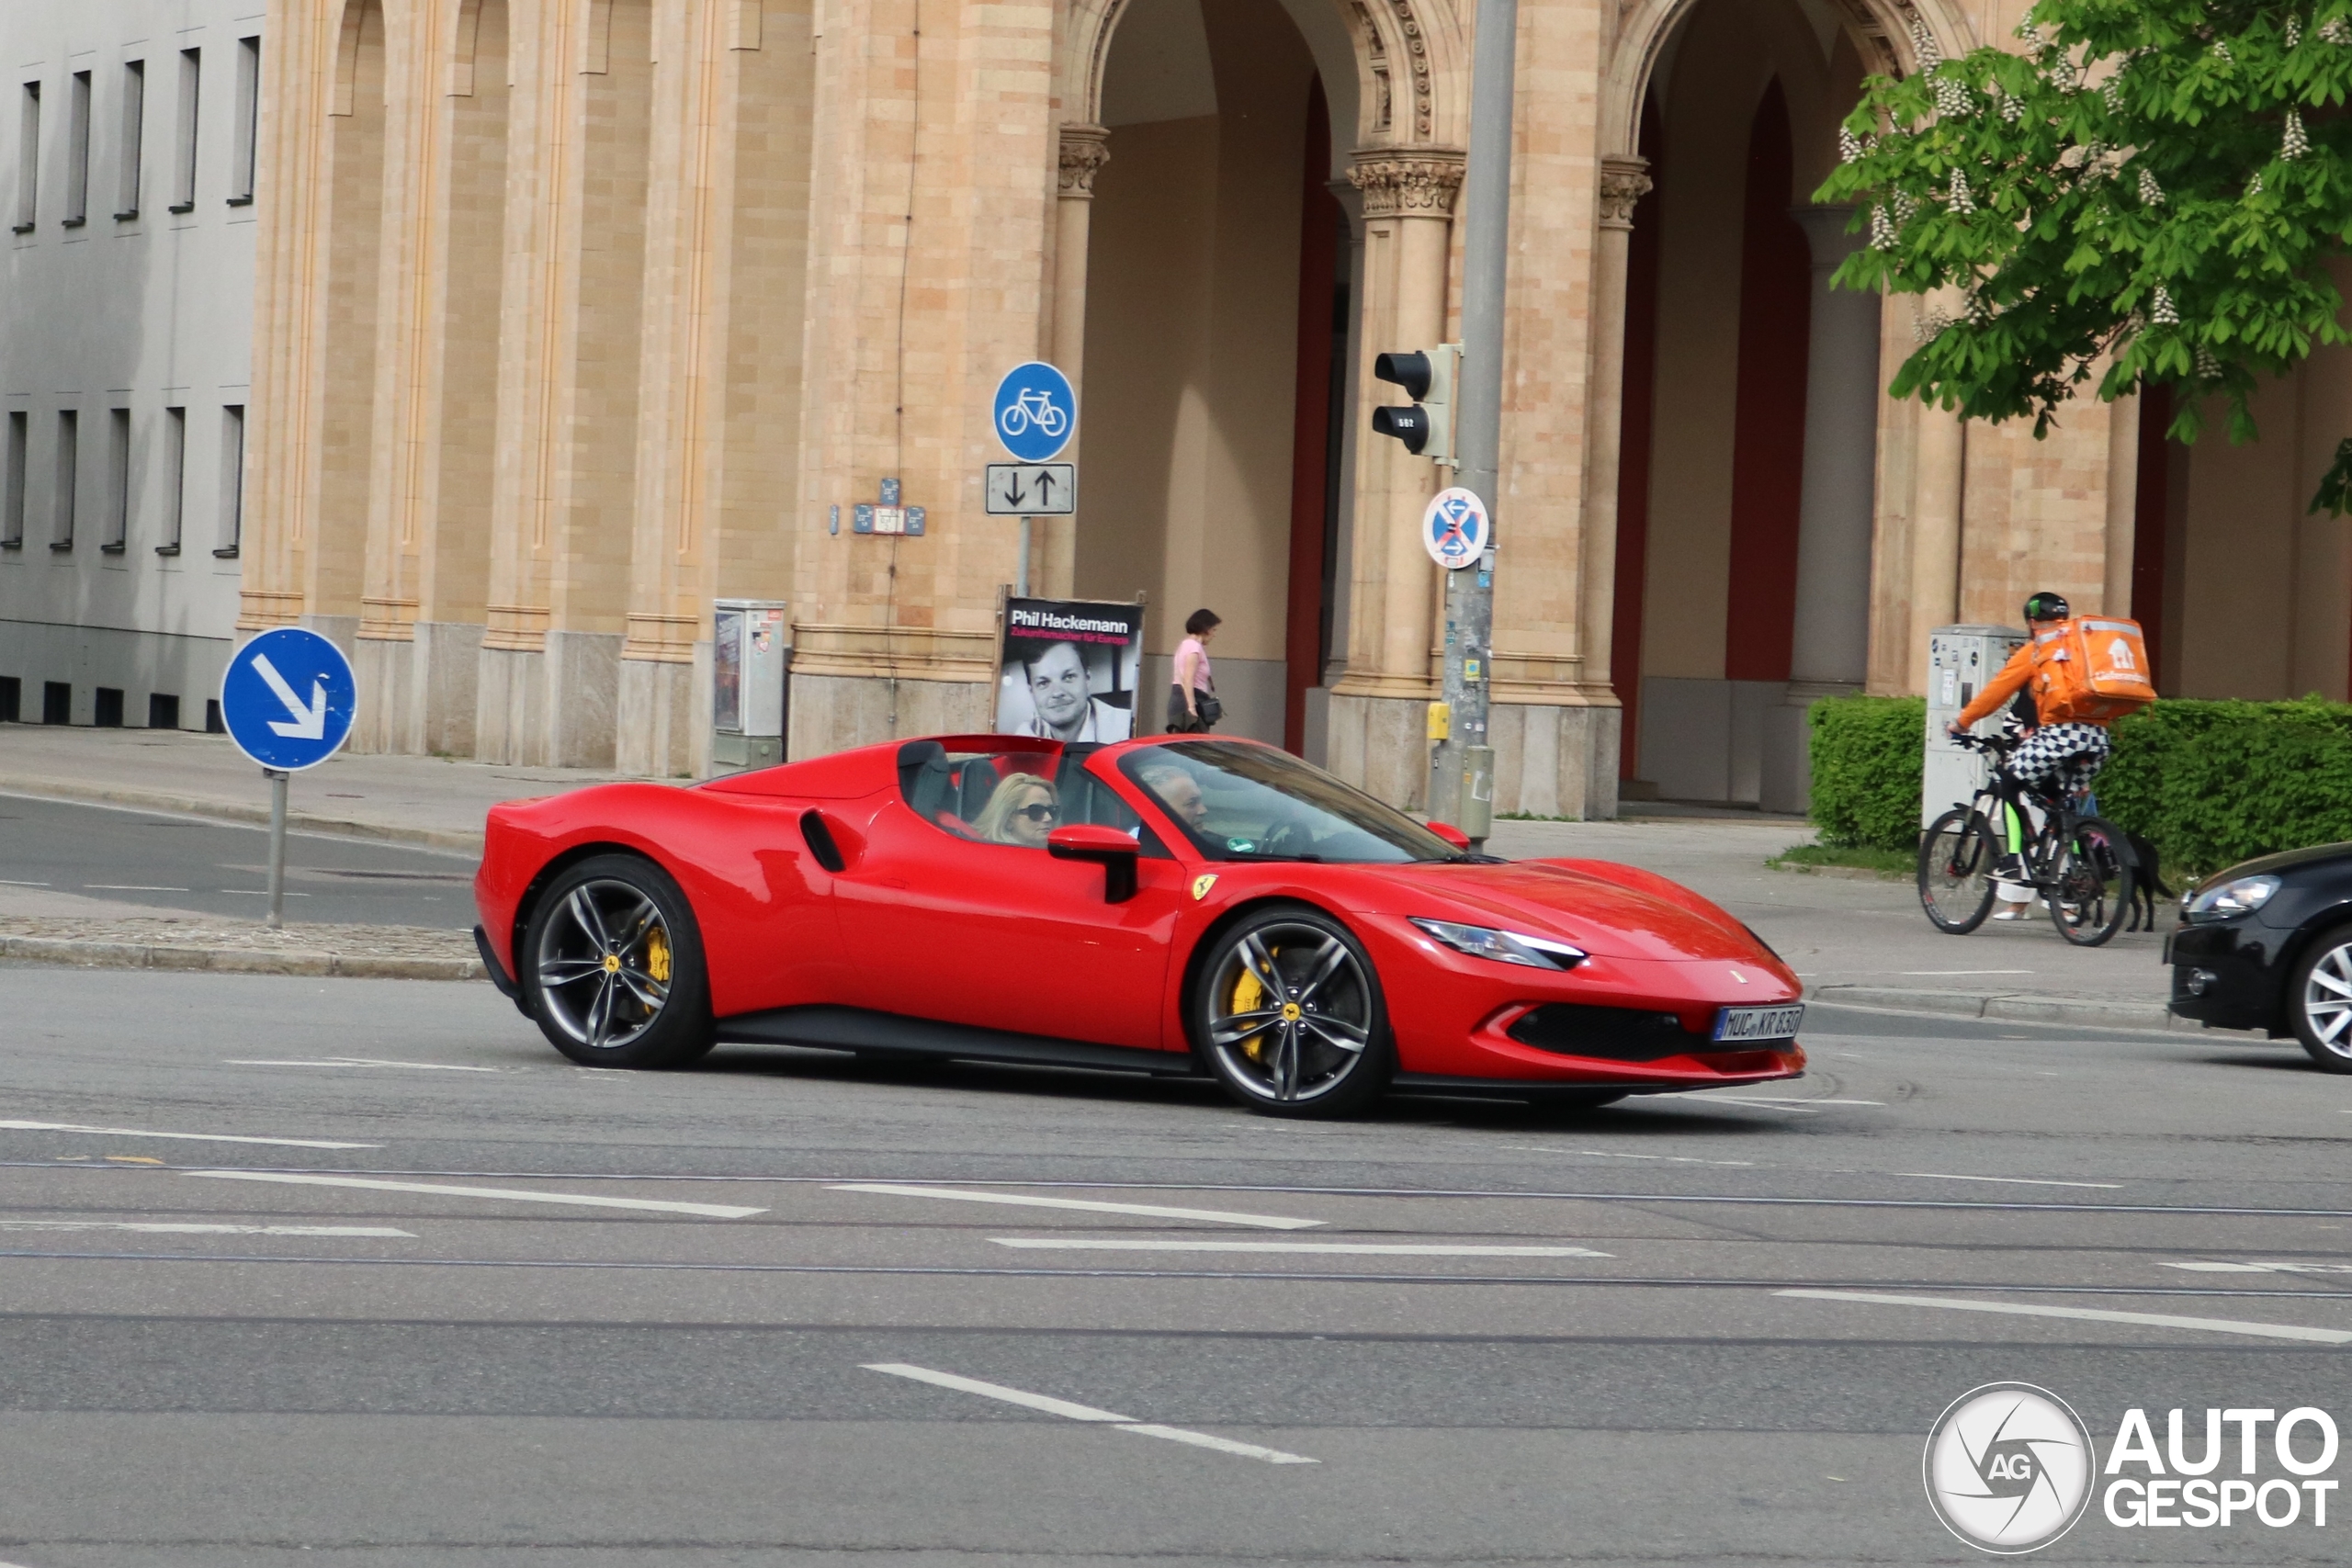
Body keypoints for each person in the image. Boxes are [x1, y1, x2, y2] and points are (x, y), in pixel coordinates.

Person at [1947, 591, 2114, 897]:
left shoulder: (2038, 648)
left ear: (2033, 621)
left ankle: (2012, 861)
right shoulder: (2084, 645)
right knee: (2059, 800)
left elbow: (1996, 692)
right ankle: (2080, 862)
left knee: (2009, 780)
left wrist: (1961, 724)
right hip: (2099, 739)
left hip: (2060, 736)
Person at [1017, 640, 1130, 742]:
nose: (1057, 693)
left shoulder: (1127, 729)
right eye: (1043, 683)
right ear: (1032, 692)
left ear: (1087, 678)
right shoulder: (1025, 736)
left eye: (1069, 677)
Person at [1168, 609, 1221, 733]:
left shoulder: (1186, 645)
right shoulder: (1193, 647)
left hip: (1181, 698)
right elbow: (1188, 679)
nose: (1214, 634)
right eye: (1213, 630)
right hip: (1190, 699)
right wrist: (1191, 708)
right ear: (1206, 629)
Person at [972, 773, 1059, 848]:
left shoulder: (1057, 856)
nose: (1049, 818)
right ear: (1009, 818)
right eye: (1036, 811)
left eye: (1052, 810)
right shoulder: (990, 857)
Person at [1133, 756, 1209, 835]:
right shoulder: (1137, 845)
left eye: (1199, 801)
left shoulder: (1211, 841)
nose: (1203, 810)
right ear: (1156, 810)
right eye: (1191, 803)